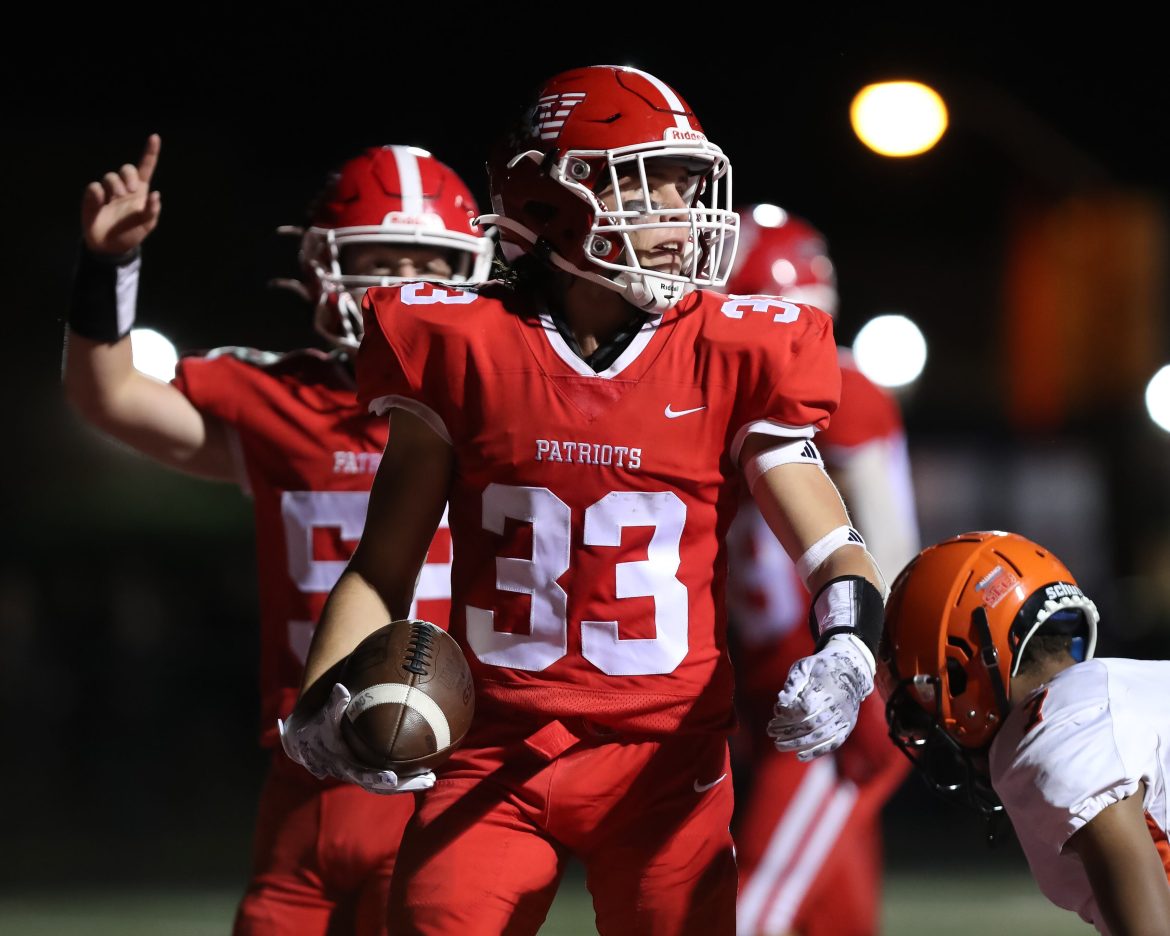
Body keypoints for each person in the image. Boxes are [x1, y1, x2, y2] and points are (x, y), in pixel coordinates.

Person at [279, 64, 887, 936]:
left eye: (686, 188)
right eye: (654, 189)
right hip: (493, 752)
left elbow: (830, 543)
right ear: (553, 199)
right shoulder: (463, 344)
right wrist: (316, 707)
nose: (685, 218)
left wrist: (848, 649)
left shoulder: (734, 348)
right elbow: (383, 568)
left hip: (667, 763)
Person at [62, 135, 493, 935]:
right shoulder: (278, 399)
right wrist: (108, 268)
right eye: (382, 260)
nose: (405, 285)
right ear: (322, 268)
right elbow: (109, 395)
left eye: (426, 262)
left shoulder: (501, 406)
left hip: (450, 765)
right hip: (310, 762)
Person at [725, 205, 919, 936]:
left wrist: (877, 671)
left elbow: (888, 546)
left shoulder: (839, 393)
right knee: (834, 917)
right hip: (777, 677)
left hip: (832, 682)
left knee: (748, 907)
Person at [880, 530, 1170, 935]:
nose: (934, 725)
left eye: (927, 695)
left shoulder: (1060, 732)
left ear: (966, 664)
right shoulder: (1110, 695)